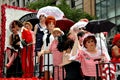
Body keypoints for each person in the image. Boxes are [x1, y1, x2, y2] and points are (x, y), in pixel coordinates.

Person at [38, 16, 56, 80]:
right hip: (45, 54)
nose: (51, 25)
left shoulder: (56, 34)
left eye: (53, 24)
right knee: (46, 70)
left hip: (52, 54)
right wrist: (41, 51)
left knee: (53, 71)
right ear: (47, 25)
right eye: (49, 24)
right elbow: (43, 44)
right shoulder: (45, 34)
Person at [34, 13, 47, 77]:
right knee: (38, 56)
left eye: (43, 16)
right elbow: (34, 34)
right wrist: (34, 41)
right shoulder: (37, 25)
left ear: (45, 17)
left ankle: (43, 71)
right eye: (40, 16)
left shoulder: (47, 25)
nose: (41, 17)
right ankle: (37, 71)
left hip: (45, 42)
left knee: (45, 56)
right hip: (38, 42)